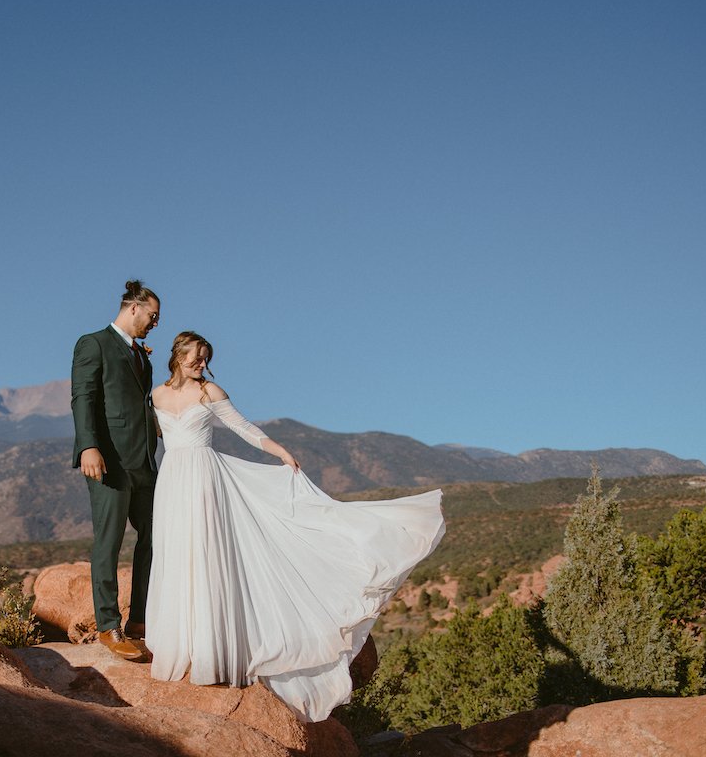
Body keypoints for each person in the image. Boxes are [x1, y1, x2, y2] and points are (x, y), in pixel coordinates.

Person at [145, 331, 445, 721]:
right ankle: (181, 646)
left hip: (205, 478)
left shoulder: (211, 392)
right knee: (177, 554)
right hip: (172, 478)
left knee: (206, 557)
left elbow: (245, 429)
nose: (200, 363)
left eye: (205, 357)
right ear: (177, 354)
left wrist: (281, 451)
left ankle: (211, 652)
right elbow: (151, 433)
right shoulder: (155, 395)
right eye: (195, 356)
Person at [71, 280, 160, 660]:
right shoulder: (93, 343)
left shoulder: (143, 356)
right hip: (109, 459)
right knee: (109, 541)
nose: (154, 324)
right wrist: (88, 446)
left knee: (157, 535)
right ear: (134, 308)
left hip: (143, 461)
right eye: (152, 316)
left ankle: (140, 621)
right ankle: (109, 626)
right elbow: (83, 397)